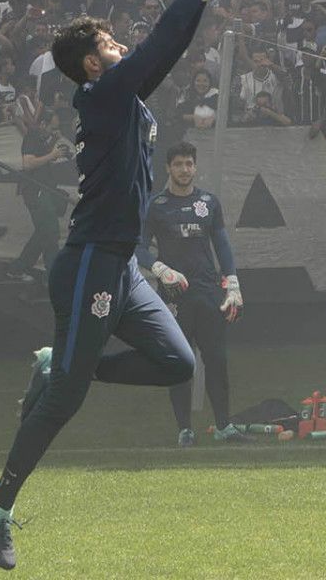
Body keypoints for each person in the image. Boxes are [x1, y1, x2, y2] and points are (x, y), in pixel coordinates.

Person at [0, 0, 238, 569]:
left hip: (121, 271)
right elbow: (163, 45)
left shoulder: (119, 99)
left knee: (178, 365)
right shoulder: (104, 94)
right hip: (91, 264)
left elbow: (158, 53)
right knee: (66, 400)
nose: (121, 47)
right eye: (111, 42)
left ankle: (64, 362)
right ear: (94, 62)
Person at [138, 141, 247, 445]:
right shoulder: (154, 205)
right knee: (180, 363)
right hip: (174, 300)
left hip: (209, 294)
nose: (184, 170)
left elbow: (222, 245)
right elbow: (137, 247)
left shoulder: (209, 203)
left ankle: (224, 427)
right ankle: (184, 429)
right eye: (178, 165)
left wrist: (233, 282)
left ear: (195, 167)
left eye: (189, 164)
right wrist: (159, 269)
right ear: (168, 169)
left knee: (216, 360)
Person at [7, 106, 72, 283]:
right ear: (43, 124)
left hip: (45, 190)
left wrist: (54, 145)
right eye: (52, 128)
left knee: (43, 232)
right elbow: (28, 164)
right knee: (50, 233)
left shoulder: (44, 138)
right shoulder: (32, 136)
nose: (55, 131)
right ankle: (53, 276)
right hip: (36, 191)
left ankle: (18, 268)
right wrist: (53, 154)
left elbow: (42, 157)